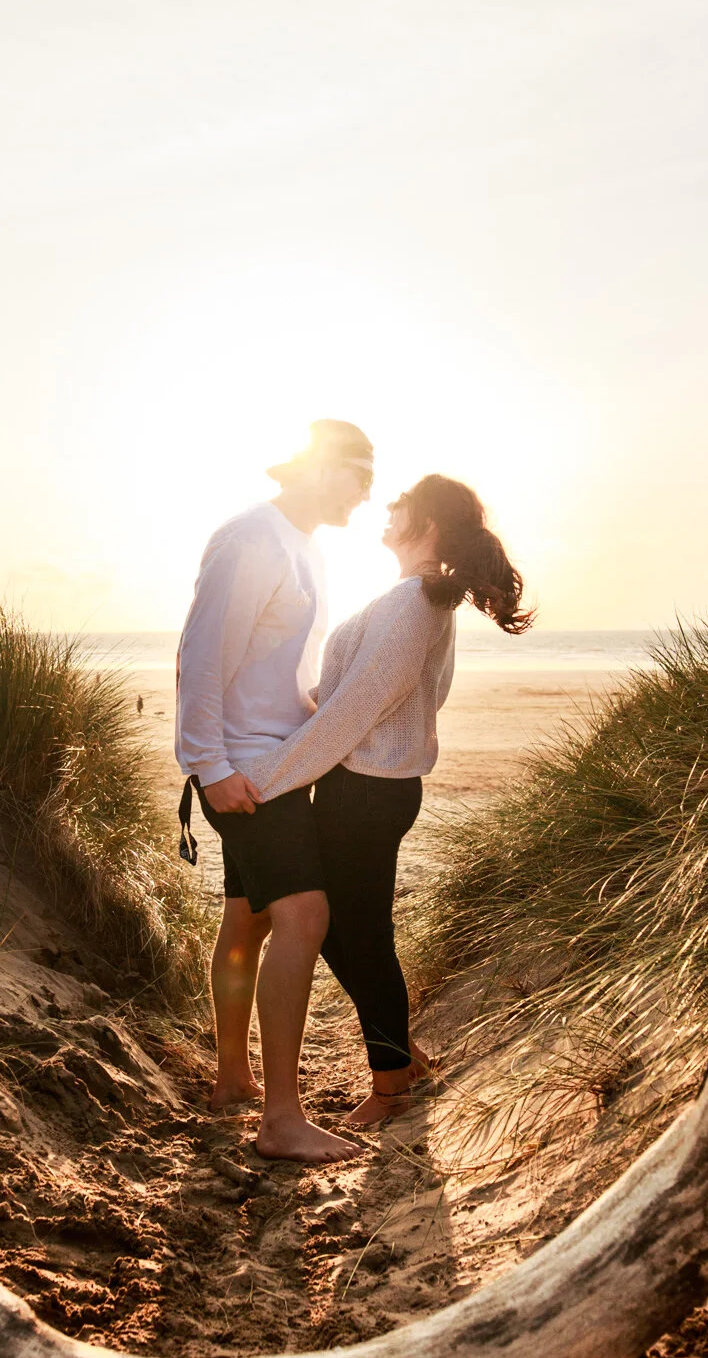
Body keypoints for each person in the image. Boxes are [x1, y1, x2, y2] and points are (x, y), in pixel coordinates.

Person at [242, 474, 531, 1127]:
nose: (386, 508)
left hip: (364, 794)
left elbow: (356, 710)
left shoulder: (412, 603)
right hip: (369, 789)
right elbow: (344, 700)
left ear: (424, 525)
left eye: (399, 504)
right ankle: (402, 1055)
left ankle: (392, 1086)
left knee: (360, 938)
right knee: (333, 931)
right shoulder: (418, 598)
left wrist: (269, 778)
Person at [174, 419, 374, 1164]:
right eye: (361, 477)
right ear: (327, 469)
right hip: (248, 770)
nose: (365, 495)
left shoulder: (305, 547)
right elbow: (201, 654)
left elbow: (274, 665)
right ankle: (281, 1120)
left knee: (250, 919)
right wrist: (208, 764)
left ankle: (234, 1080)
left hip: (278, 760)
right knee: (304, 915)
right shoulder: (251, 539)